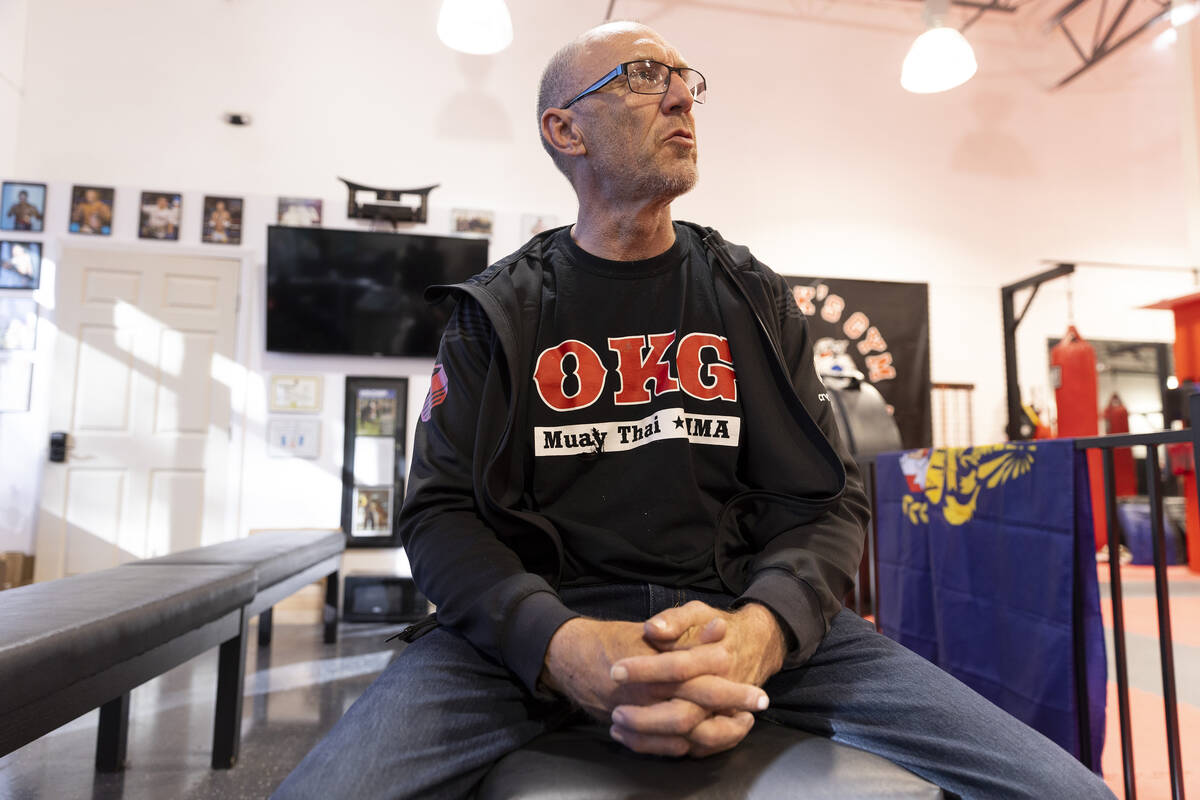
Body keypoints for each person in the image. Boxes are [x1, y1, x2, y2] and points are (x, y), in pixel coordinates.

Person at [275, 22, 1115, 800]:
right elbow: (440, 516)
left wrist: (764, 629)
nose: (682, 97)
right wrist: (559, 644)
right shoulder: (495, 313)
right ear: (565, 130)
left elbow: (826, 501)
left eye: (686, 79)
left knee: (1067, 791)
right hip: (538, 628)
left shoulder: (755, 298)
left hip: (740, 611)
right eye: (646, 76)